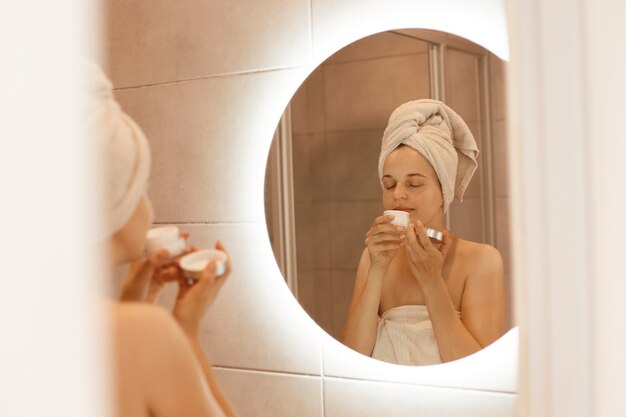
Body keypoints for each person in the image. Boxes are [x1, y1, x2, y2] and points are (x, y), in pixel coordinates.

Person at [90, 63, 238, 417]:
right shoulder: (142, 334)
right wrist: (185, 331)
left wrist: (133, 302)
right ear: (113, 198)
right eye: (142, 184)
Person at [341, 99, 505, 366]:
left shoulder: (481, 261)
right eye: (389, 184)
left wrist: (432, 282)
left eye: (414, 183)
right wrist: (377, 271)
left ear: (444, 191)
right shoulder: (373, 258)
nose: (399, 194)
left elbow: (479, 373)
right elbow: (351, 361)